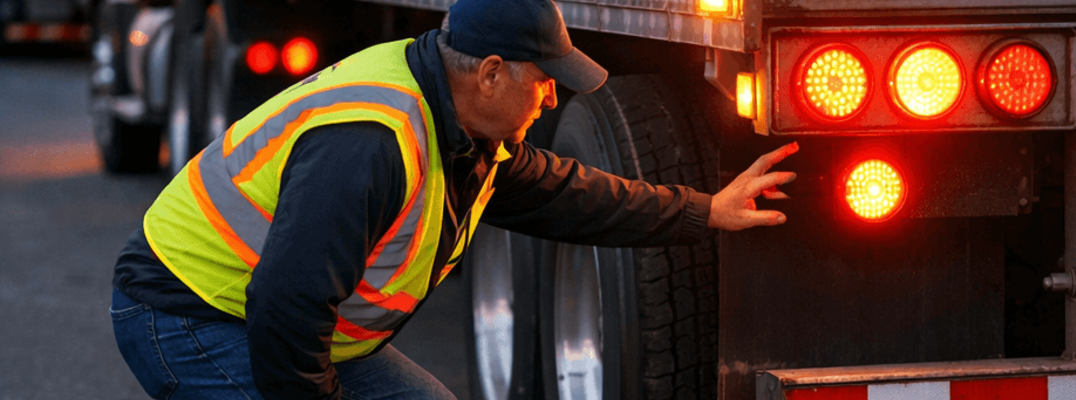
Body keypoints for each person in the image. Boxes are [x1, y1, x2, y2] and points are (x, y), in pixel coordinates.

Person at [109, 0, 798, 398]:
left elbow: (568, 193)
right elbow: (287, 314)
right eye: (544, 80)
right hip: (185, 317)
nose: (552, 97)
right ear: (492, 75)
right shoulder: (370, 143)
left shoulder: (461, 126)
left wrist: (704, 210)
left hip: (262, 316)